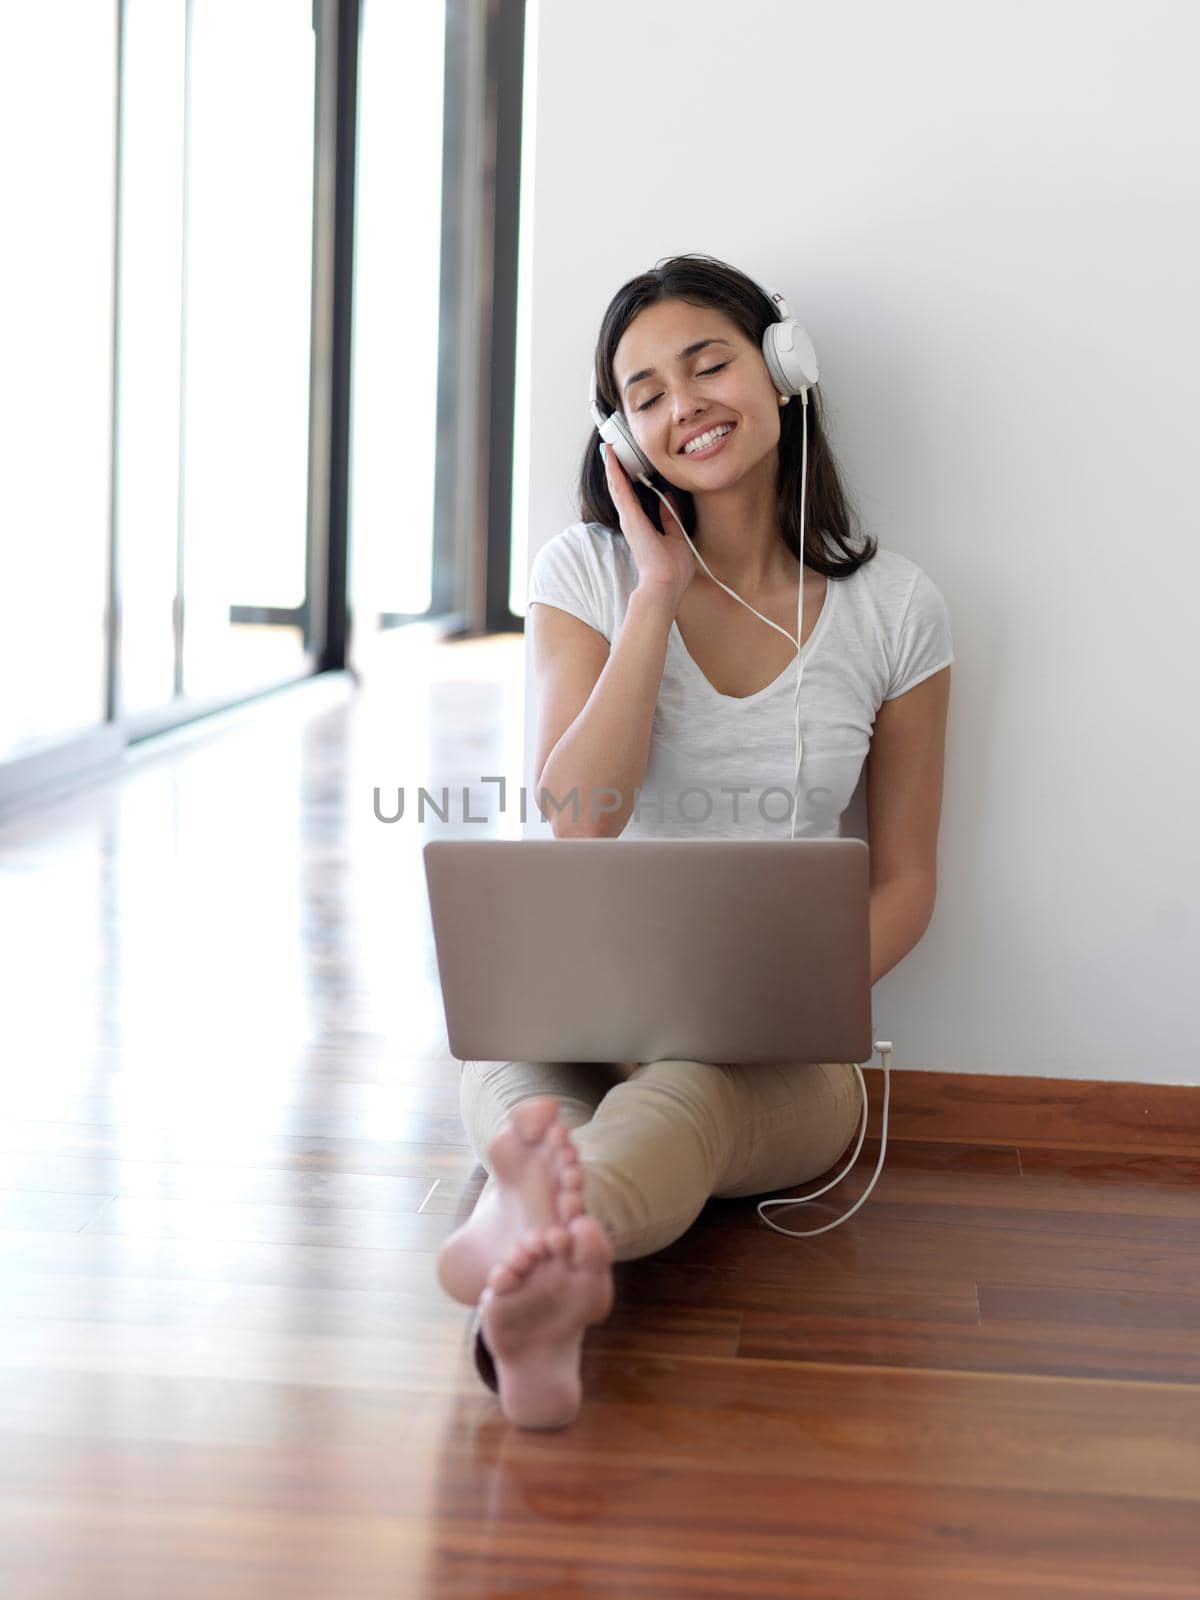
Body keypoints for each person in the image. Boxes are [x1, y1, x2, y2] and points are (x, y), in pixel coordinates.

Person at [436, 254, 954, 1431]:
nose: (686, 405)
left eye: (709, 364)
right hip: (569, 1018)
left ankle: (526, 1238)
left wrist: (787, 1002)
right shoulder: (588, 571)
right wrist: (655, 591)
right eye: (648, 390)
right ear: (622, 429)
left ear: (784, 367)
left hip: (778, 1057)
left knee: (687, 1097)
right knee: (528, 1106)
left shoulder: (898, 609)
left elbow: (912, 876)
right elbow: (579, 822)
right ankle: (541, 1306)